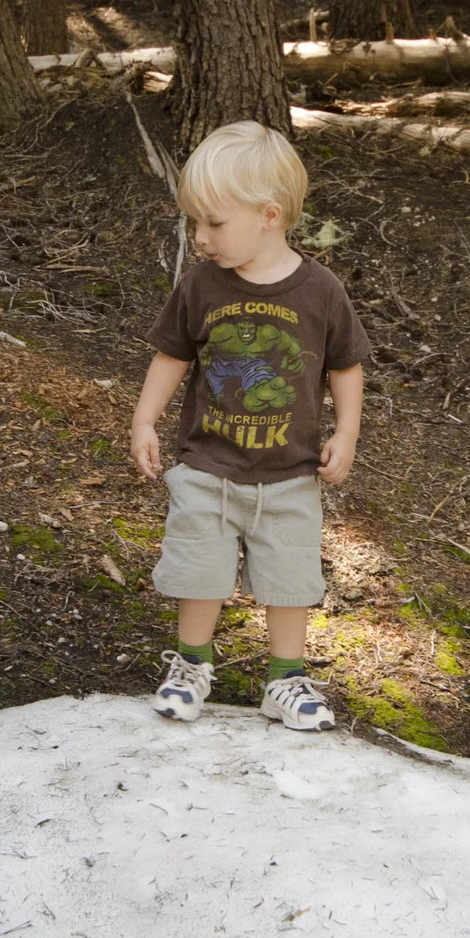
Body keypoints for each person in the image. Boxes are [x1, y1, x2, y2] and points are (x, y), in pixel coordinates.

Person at [129, 121, 369, 730]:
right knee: (199, 567)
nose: (200, 237)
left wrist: (346, 433)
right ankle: (190, 666)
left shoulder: (319, 290)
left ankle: (285, 678)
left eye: (214, 223)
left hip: (290, 472)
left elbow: (346, 365)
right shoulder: (203, 285)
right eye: (195, 223)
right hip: (207, 466)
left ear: (269, 215)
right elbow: (172, 356)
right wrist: (145, 417)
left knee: (291, 577)